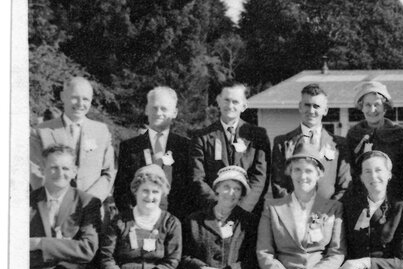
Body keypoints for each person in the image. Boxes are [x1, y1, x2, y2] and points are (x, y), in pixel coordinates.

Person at [114, 86, 194, 223]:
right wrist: (133, 218)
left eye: (164, 109)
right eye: (154, 107)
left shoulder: (186, 147)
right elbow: (121, 190)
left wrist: (177, 222)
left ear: (174, 112)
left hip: (175, 224)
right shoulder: (129, 147)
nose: (158, 113)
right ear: (146, 109)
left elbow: (191, 191)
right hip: (138, 222)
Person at [30, 76, 116, 204]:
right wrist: (59, 200)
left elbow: (109, 172)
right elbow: (34, 170)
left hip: (90, 210)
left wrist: (87, 201)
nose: (80, 104)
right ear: (63, 96)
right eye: (75, 97)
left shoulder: (101, 131)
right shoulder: (40, 131)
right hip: (52, 208)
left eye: (85, 99)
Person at [191, 81, 271, 218]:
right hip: (213, 214)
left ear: (244, 105)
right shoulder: (201, 138)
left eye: (235, 102)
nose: (230, 106)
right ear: (218, 101)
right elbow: (198, 178)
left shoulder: (258, 136)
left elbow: (260, 177)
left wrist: (241, 210)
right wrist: (220, 207)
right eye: (226, 100)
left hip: (248, 215)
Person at [272, 83, 351, 202]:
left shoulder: (339, 144)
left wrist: (328, 212)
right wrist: (294, 211)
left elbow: (344, 186)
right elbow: (279, 185)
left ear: (325, 110)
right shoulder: (282, 143)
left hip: (328, 214)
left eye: (316, 106)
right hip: (292, 214)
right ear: (300, 107)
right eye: (307, 105)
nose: (311, 110)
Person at [345, 80, 403, 199]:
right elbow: (350, 171)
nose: (372, 110)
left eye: (377, 104)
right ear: (361, 107)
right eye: (367, 105)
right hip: (361, 197)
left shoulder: (399, 134)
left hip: (394, 196)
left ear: (385, 107)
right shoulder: (353, 135)